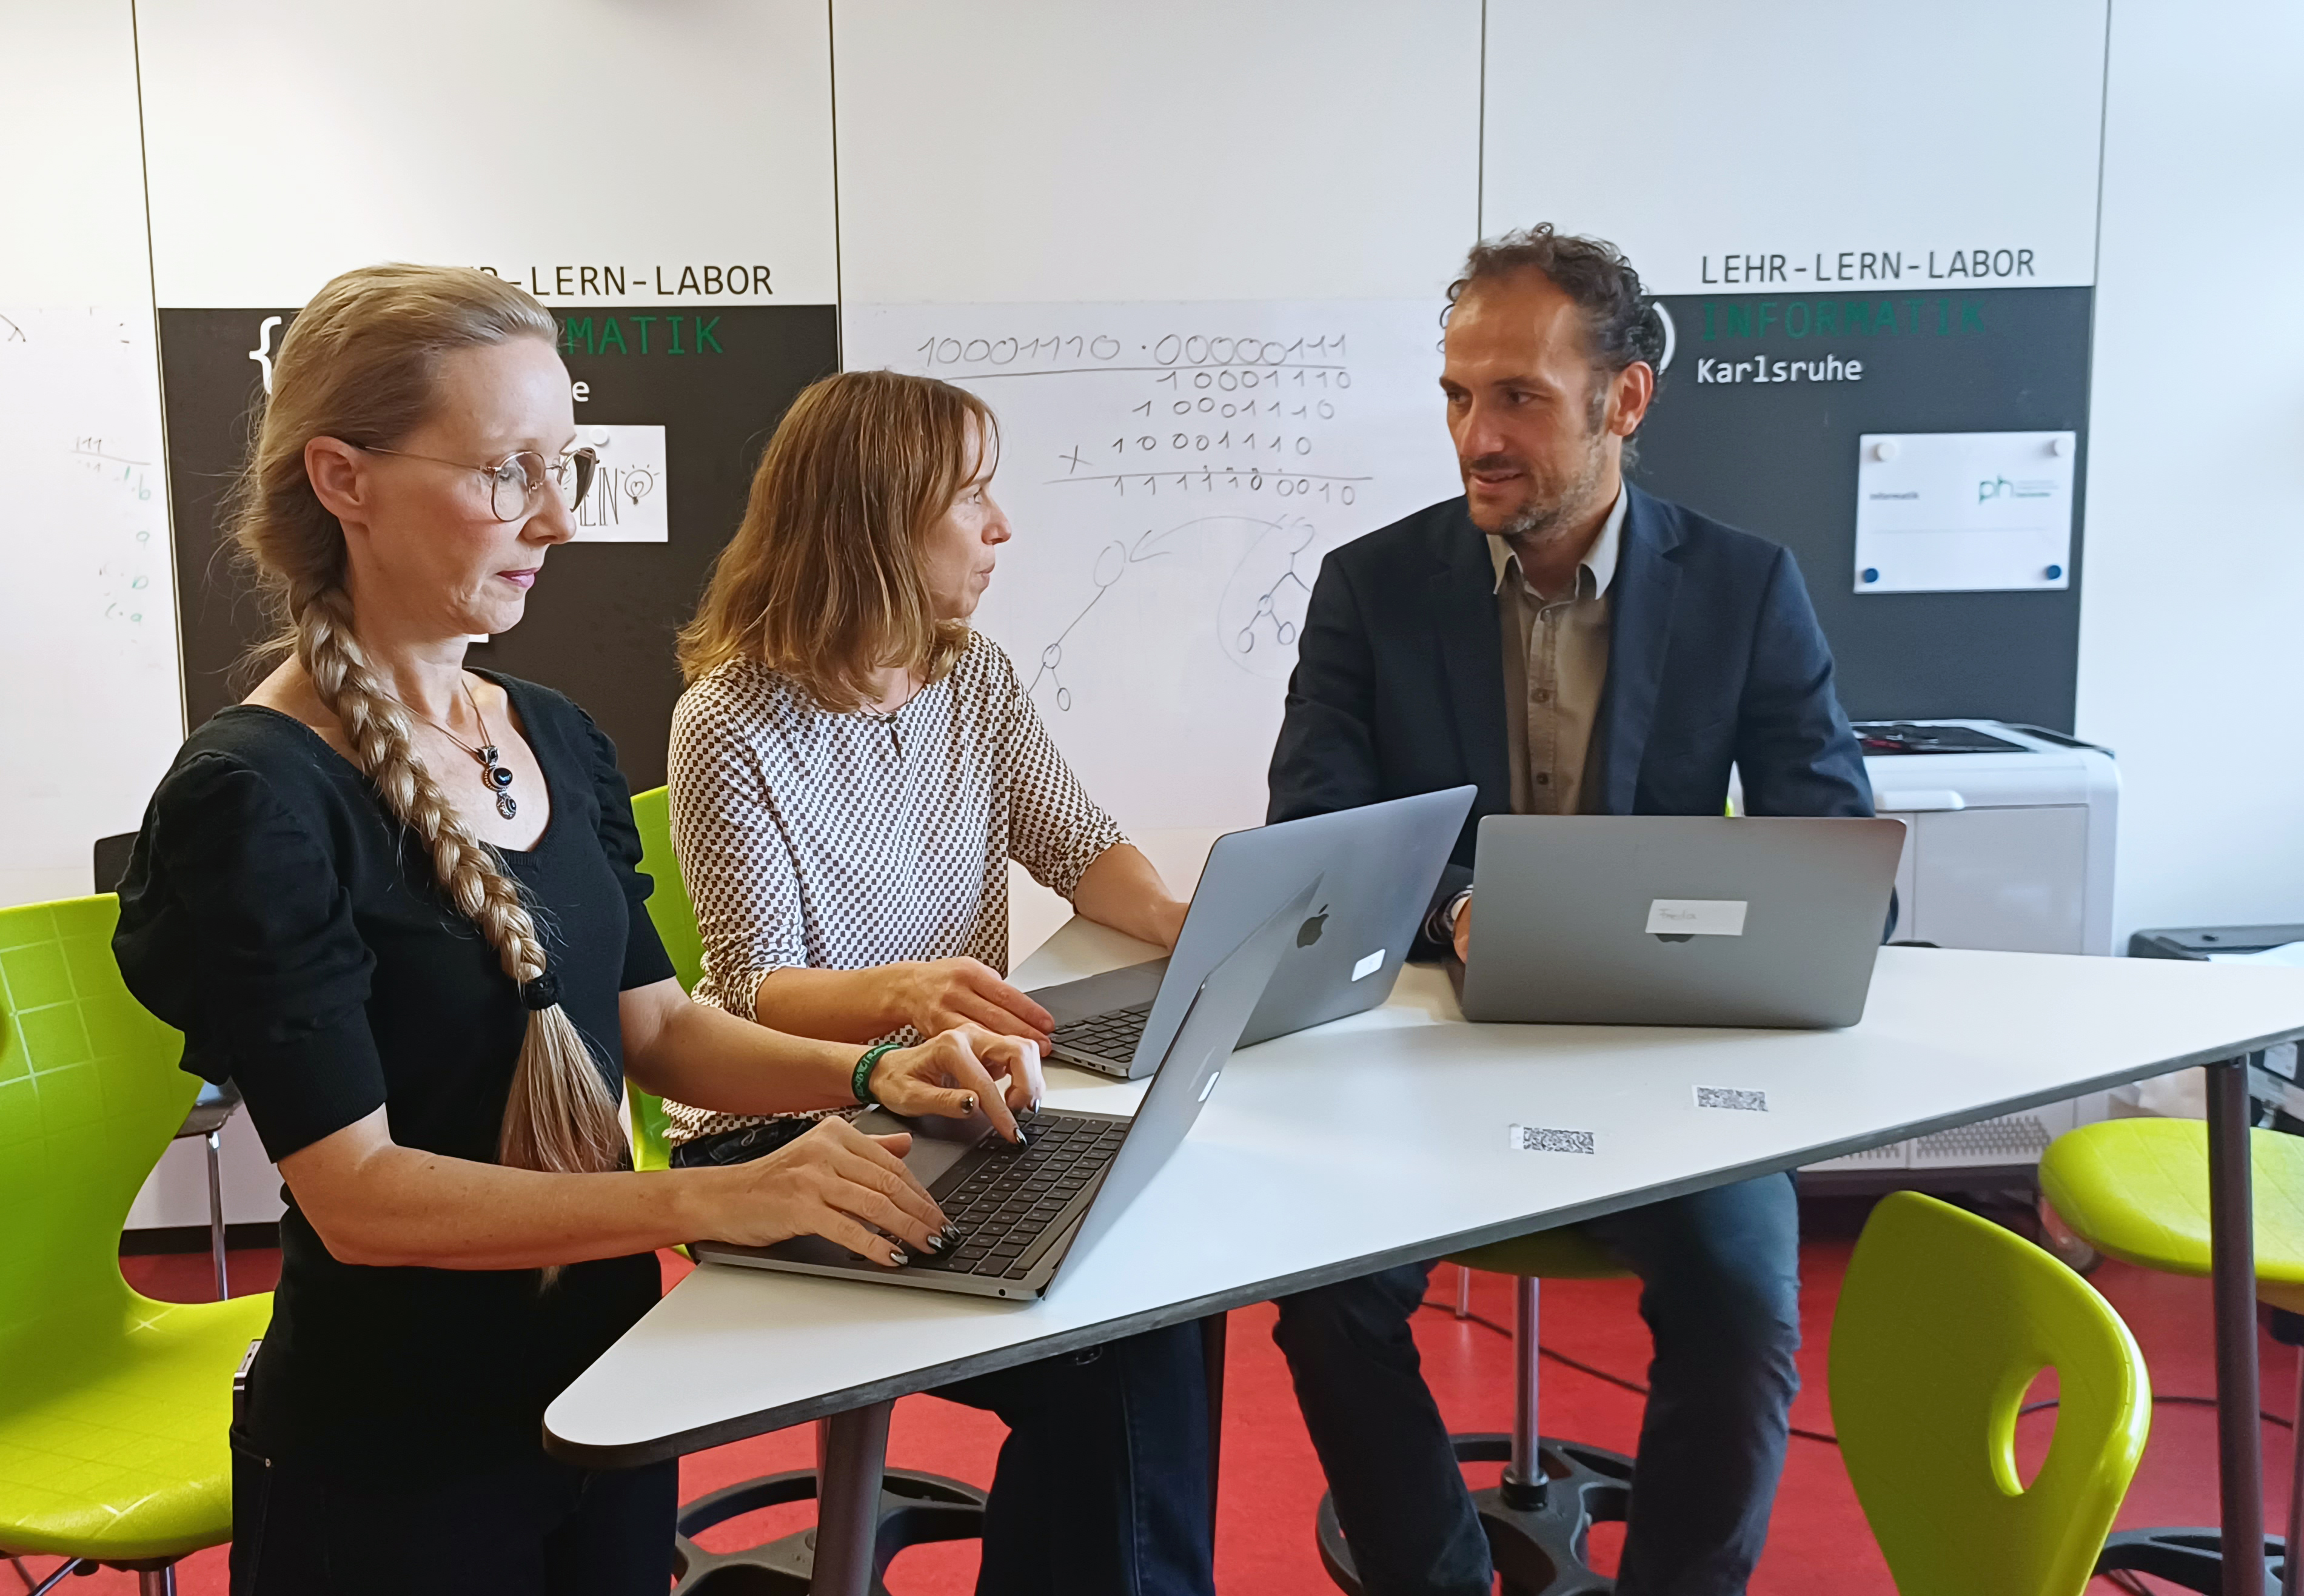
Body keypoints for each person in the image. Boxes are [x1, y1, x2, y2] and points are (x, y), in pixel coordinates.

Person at [112, 266, 1042, 1596]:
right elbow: (361, 1197)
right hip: (394, 1456)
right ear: (342, 478)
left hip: (601, 1396)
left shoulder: (552, 730)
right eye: (505, 472)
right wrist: (716, 1195)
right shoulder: (256, 795)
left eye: (566, 468)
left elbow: (655, 1028)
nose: (554, 517)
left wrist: (864, 1071)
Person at [1266, 226, 1877, 1596]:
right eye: (1456, 395)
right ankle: (1428, 1570)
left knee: (1741, 1302)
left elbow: (1835, 847)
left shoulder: (1743, 585)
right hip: (1432, 1055)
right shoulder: (1370, 586)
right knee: (1318, 1292)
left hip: (1663, 1054)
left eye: (1519, 398)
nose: (1476, 435)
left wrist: (1711, 928)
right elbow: (1318, 823)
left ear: (1624, 399)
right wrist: (1467, 906)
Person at [663, 368, 1214, 1595]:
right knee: (1109, 1361)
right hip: (773, 1135)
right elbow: (757, 988)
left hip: (937, 1108)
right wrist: (908, 992)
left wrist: (1192, 927)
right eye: (969, 497)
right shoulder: (728, 719)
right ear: (875, 522)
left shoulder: (973, 677)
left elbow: (1079, 845)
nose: (1001, 527)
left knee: (1163, 1298)